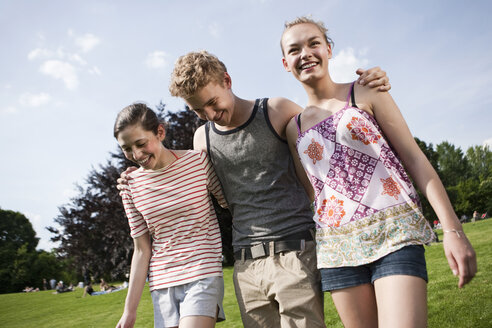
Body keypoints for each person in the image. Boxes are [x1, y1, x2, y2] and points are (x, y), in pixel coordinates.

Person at [158, 51, 386, 327]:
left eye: (212, 102)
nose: (209, 114)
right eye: (197, 110)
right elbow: (195, 185)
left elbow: (331, 128)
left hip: (295, 252)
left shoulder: (276, 111)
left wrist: (364, 90)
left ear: (227, 81)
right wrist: (139, 171)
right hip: (246, 266)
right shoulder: (202, 138)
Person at [281, 16, 477, 327]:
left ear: (329, 50)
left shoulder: (366, 92)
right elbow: (313, 192)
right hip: (338, 249)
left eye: (313, 43)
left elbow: (413, 158)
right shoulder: (293, 127)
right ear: (285, 62)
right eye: (294, 49)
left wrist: (453, 230)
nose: (305, 53)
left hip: (395, 235)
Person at [114, 103, 227, 328]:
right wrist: (129, 312)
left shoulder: (198, 163)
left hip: (202, 272)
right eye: (127, 148)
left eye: (141, 143)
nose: (136, 155)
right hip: (162, 282)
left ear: (160, 132)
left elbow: (230, 203)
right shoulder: (130, 186)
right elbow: (141, 249)